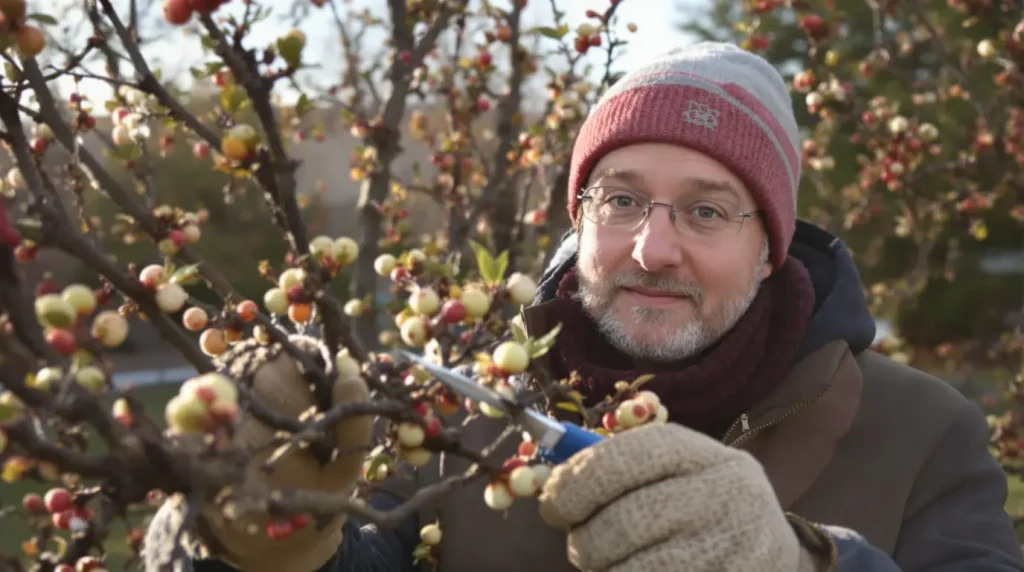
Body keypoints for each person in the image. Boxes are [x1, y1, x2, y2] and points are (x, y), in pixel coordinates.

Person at [144, 42, 1024, 572]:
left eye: (708, 211)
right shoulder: (471, 402)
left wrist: (804, 564)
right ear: (580, 215)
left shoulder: (924, 432)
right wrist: (262, 538)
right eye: (622, 199)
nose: (652, 248)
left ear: (771, 251)